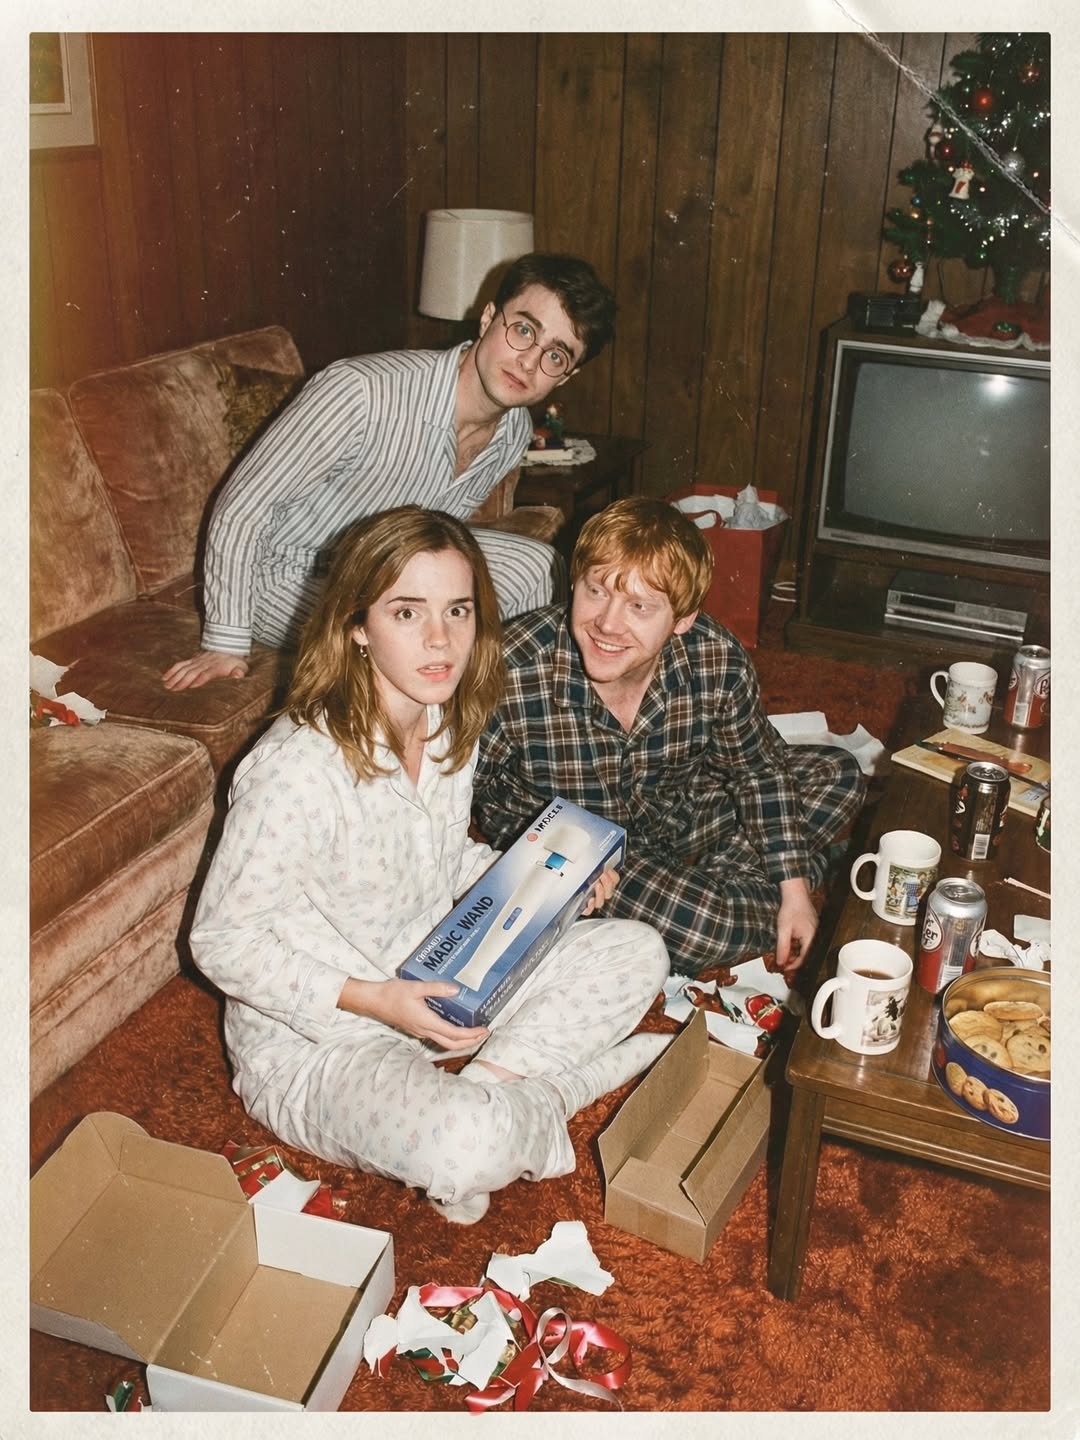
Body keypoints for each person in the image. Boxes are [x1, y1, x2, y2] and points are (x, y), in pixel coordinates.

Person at [189, 506, 669, 1225]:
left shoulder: (443, 722)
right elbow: (221, 942)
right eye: (407, 612)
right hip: (321, 1041)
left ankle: (489, 1083)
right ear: (357, 625)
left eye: (458, 611)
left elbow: (443, 861)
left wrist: (551, 884)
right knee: (466, 1146)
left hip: (442, 971)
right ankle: (554, 1094)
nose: (440, 639)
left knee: (639, 951)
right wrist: (375, 1000)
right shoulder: (293, 772)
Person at [163, 252, 616, 691]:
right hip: (283, 575)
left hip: (388, 568)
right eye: (523, 330)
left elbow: (434, 534)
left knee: (537, 567)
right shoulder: (360, 391)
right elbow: (242, 508)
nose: (529, 362)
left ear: (566, 376)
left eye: (556, 356)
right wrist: (224, 644)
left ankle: (505, 713)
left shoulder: (513, 431)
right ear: (487, 319)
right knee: (406, 633)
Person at [472, 497, 867, 981]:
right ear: (573, 583)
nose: (607, 623)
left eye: (639, 606)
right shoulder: (508, 669)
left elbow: (759, 771)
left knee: (839, 772)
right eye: (596, 591)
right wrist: (537, 865)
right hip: (580, 853)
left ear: (682, 619)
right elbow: (450, 796)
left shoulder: (715, 657)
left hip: (678, 812)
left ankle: (717, 886)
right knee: (706, 929)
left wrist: (795, 889)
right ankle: (774, 876)